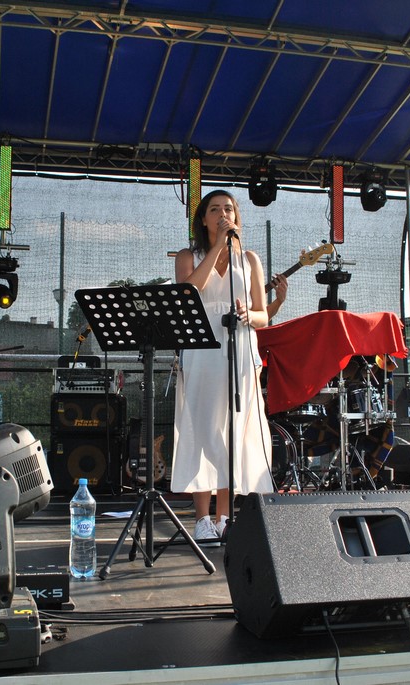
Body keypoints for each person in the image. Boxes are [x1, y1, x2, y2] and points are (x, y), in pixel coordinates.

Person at [171, 189, 275, 546]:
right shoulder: (188, 256)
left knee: (233, 433)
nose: (222, 214)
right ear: (203, 220)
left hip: (240, 349)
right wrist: (217, 247)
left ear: (236, 216)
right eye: (214, 210)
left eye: (228, 209)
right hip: (202, 350)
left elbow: (263, 315)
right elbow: (188, 293)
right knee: (202, 430)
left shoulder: (250, 260)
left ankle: (224, 517)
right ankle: (202, 518)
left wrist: (249, 315)